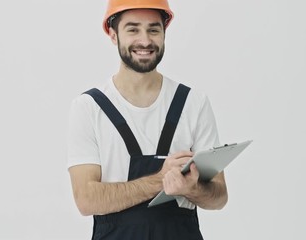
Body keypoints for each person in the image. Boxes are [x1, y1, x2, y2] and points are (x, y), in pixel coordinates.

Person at [67, 0, 228, 239]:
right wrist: (159, 181)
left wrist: (192, 188)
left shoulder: (194, 103)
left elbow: (219, 197)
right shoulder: (89, 108)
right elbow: (86, 199)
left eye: (153, 29)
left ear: (164, 32)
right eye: (133, 29)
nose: (145, 41)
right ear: (113, 35)